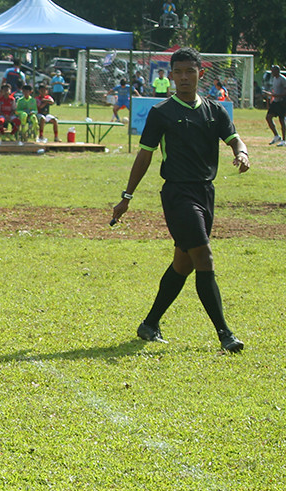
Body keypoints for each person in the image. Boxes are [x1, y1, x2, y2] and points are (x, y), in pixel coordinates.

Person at [111, 47, 249, 354]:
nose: (184, 77)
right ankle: (225, 334)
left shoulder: (215, 110)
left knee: (183, 263)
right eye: (178, 72)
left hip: (205, 193)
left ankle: (149, 324)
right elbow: (144, 156)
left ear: (201, 74)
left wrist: (242, 152)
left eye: (190, 71)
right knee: (204, 257)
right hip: (177, 195)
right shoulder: (162, 113)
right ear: (170, 75)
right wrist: (127, 196)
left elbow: (234, 138)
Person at [262, 65, 286, 146]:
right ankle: (276, 136)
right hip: (275, 102)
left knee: (282, 120)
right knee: (268, 117)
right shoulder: (274, 79)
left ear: (277, 71)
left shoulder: (283, 79)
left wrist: (277, 96)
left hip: (281, 102)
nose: (272, 72)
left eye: (273, 71)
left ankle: (284, 139)